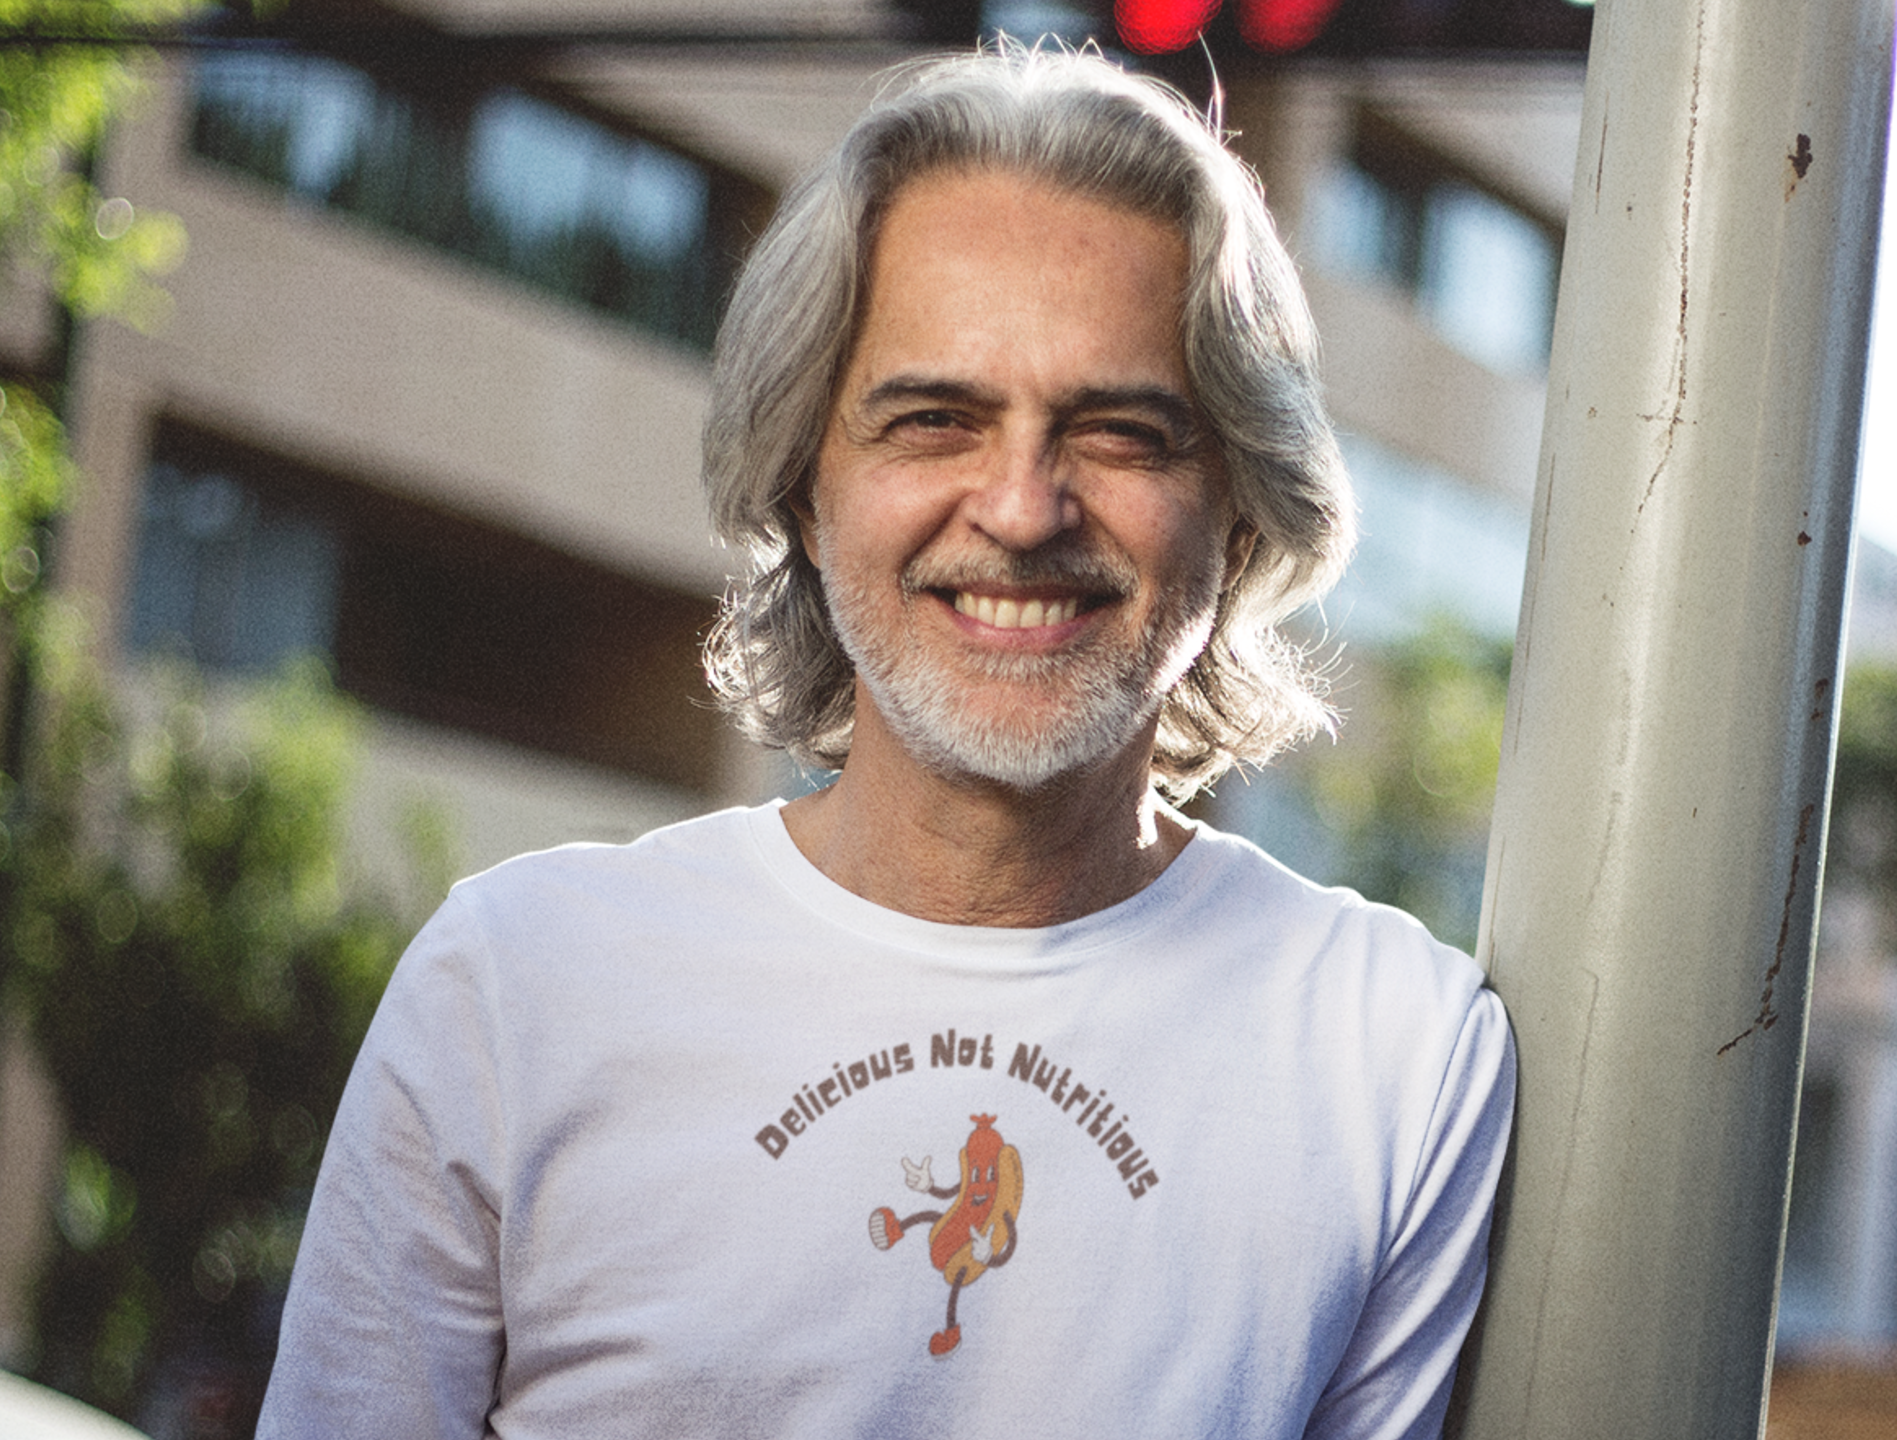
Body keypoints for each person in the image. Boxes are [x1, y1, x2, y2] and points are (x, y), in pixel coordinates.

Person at [258, 43, 1513, 1440]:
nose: (1025, 509)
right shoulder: (516, 991)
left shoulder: (1396, 1054)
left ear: (1241, 507)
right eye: (935, 421)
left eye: (1122, 433)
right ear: (804, 487)